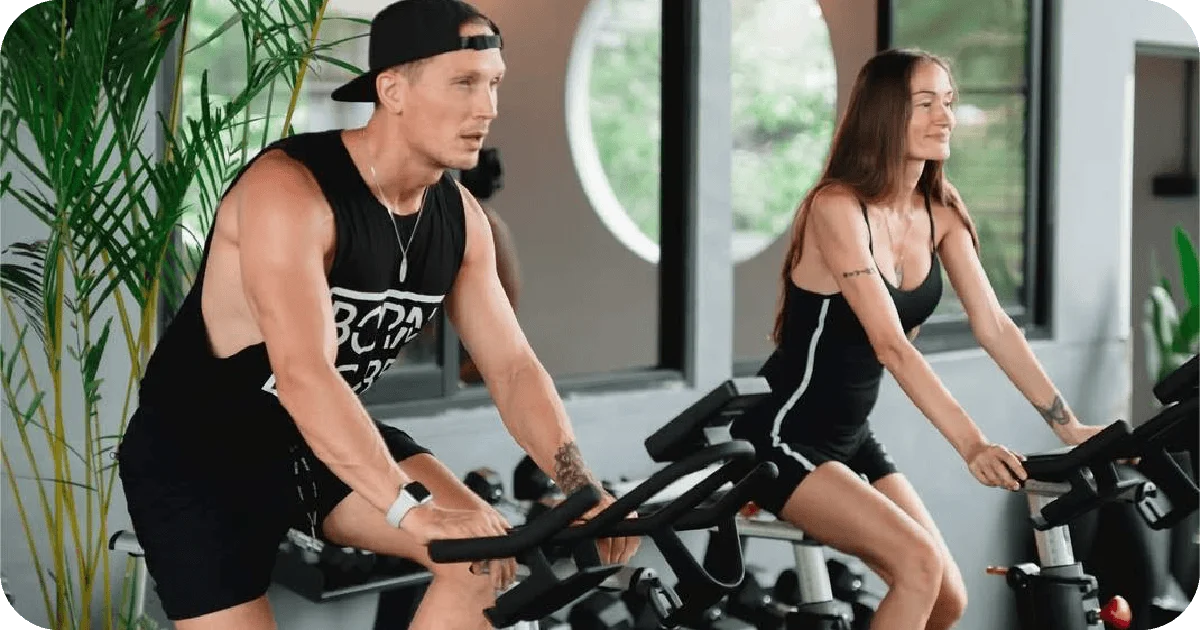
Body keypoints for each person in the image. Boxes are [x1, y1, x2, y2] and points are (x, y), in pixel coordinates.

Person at [116, 2, 638, 629]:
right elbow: (305, 374)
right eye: (464, 83)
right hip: (198, 454)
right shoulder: (290, 191)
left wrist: (578, 485)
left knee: (483, 561)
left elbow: (512, 367)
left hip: (315, 438)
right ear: (392, 89)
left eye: (494, 82)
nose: (488, 107)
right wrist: (409, 510)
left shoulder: (460, 220)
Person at [728, 48, 1110, 630]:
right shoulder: (836, 208)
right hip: (783, 432)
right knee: (918, 566)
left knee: (946, 600)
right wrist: (973, 445)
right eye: (925, 103)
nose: (945, 116)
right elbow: (892, 347)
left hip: (851, 437)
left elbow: (995, 326)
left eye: (949, 102)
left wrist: (1070, 427)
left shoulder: (941, 212)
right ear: (884, 114)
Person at [458, 147, 522, 383]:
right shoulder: (474, 222)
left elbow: (506, 302)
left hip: (471, 360)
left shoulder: (485, 227)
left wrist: (468, 370)